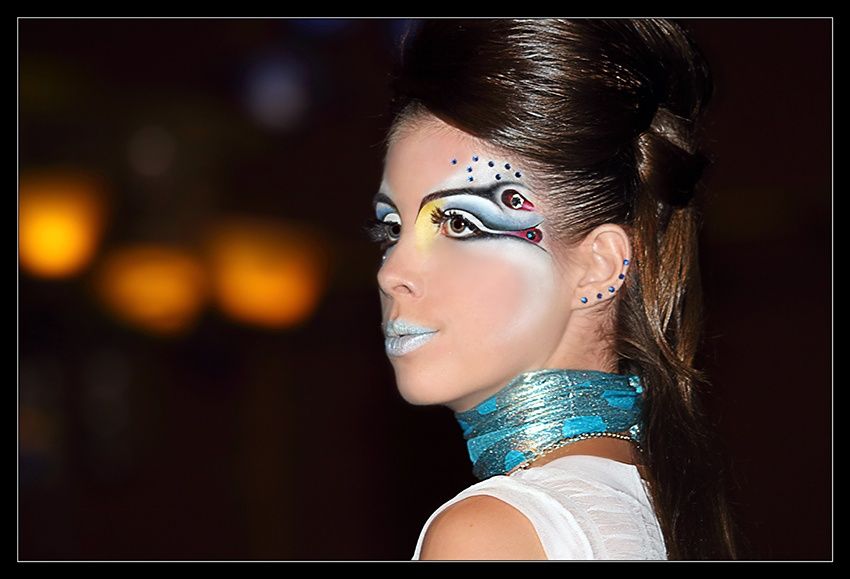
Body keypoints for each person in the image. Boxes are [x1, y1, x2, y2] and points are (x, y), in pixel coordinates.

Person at [365, 18, 743, 560]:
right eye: (392, 229)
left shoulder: (490, 534)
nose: (391, 272)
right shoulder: (656, 511)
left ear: (597, 267)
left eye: (460, 224)